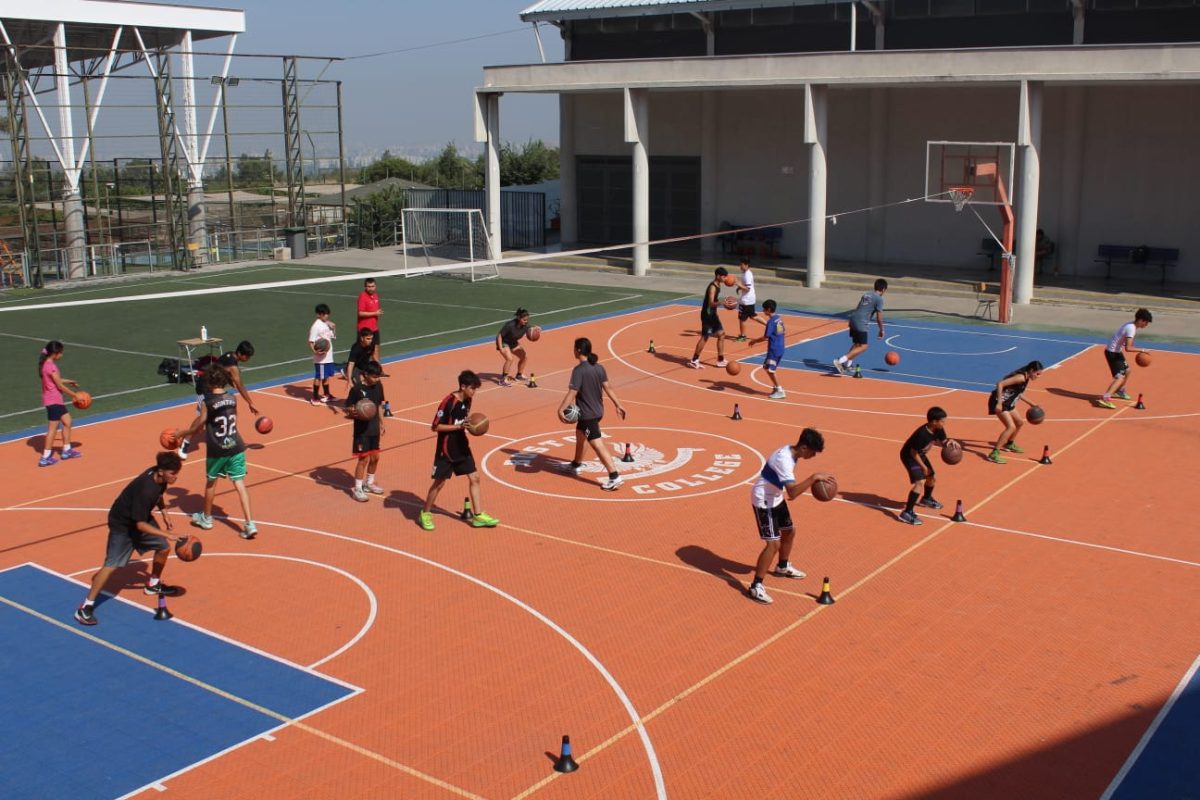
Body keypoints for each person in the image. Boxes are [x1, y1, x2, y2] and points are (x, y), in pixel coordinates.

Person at [74, 451, 183, 625]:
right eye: (173, 474)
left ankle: (152, 584)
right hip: (122, 525)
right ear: (161, 471)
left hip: (140, 518)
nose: (175, 477)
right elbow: (140, 525)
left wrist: (164, 513)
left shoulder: (159, 478)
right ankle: (85, 608)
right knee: (111, 565)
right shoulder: (145, 489)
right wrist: (168, 534)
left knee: (163, 548)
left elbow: (159, 495)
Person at [746, 428, 829, 605]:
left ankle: (782, 567)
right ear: (804, 447)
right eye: (813, 452)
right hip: (764, 500)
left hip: (775, 496)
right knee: (773, 544)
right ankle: (756, 586)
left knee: (790, 531)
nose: (814, 456)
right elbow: (793, 492)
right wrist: (813, 478)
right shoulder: (784, 459)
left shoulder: (792, 453)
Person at [177, 364, 257, 539]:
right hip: (236, 446)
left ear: (209, 382)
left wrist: (181, 433)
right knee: (240, 484)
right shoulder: (232, 398)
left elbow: (199, 425)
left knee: (211, 483)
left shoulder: (208, 402)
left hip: (217, 449)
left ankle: (206, 518)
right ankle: (250, 523)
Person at [418, 370, 499, 531]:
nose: (474, 392)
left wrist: (472, 425)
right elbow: (435, 426)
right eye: (472, 388)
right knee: (439, 483)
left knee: (475, 478)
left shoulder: (467, 400)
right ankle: (425, 513)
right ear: (462, 386)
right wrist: (458, 426)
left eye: (476, 389)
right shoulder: (448, 402)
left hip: (462, 447)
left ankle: (478, 516)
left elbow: (463, 420)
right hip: (447, 449)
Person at [558, 337, 628, 491]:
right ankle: (575, 464)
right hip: (597, 411)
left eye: (573, 348)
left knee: (597, 443)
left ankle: (614, 476)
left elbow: (572, 392)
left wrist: (560, 409)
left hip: (588, 414)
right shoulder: (598, 367)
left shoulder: (579, 370)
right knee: (580, 434)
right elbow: (608, 387)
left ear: (578, 350)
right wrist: (618, 404)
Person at [178, 340, 257, 460]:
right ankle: (186, 441)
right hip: (204, 387)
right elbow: (240, 385)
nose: (248, 359)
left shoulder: (229, 355)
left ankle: (227, 439)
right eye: (248, 356)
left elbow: (222, 369)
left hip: (213, 387)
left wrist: (229, 380)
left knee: (219, 412)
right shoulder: (233, 365)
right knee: (202, 419)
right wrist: (250, 403)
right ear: (241, 354)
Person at [898, 407, 949, 525]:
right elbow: (913, 453)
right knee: (919, 482)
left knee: (931, 477)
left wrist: (950, 443)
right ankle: (907, 513)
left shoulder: (938, 429)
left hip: (920, 455)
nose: (944, 423)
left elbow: (943, 441)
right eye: (942, 421)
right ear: (934, 422)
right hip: (909, 457)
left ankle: (926, 498)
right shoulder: (921, 434)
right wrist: (924, 468)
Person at [986, 360, 1043, 464]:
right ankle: (994, 454)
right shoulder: (1020, 378)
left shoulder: (1026, 378)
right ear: (1031, 370)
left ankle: (1009, 444)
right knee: (1011, 427)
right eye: (1037, 373)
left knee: (1019, 423)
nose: (1038, 376)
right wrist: (999, 402)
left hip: (1008, 402)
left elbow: (1019, 394)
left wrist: (1032, 404)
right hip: (998, 401)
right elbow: (1000, 384)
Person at [37, 340, 84, 467]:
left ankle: (66, 450)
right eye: (61, 353)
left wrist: (68, 381)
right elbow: (58, 385)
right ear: (55, 354)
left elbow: (55, 380)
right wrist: (75, 396)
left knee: (67, 422)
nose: (62, 355)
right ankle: (45, 457)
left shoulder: (46, 365)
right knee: (52, 429)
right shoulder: (51, 366)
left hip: (55, 401)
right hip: (54, 401)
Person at [345, 361, 386, 502]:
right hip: (362, 431)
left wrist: (382, 423)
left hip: (374, 429)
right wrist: (353, 412)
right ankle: (357, 488)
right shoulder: (357, 390)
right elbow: (348, 409)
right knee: (363, 459)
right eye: (374, 377)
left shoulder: (379, 386)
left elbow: (379, 405)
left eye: (378, 376)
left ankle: (369, 483)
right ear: (366, 375)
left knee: (375, 458)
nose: (377, 379)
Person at [1097, 308, 1152, 409]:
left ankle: (1119, 391)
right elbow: (1128, 348)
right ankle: (1105, 398)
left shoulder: (1132, 326)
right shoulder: (1131, 328)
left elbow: (1128, 343)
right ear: (1140, 320)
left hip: (1116, 351)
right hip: (1112, 352)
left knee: (1128, 370)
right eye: (1146, 322)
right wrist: (1143, 350)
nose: (1146, 325)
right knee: (1120, 377)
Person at [833, 278, 887, 376]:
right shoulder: (879, 299)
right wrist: (881, 330)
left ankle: (848, 365)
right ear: (883, 289)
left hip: (853, 318)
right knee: (864, 347)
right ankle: (840, 361)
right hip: (861, 322)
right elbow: (879, 318)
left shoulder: (866, 294)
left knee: (857, 344)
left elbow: (858, 308)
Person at [687, 267, 729, 369]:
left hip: (713, 314)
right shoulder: (713, 287)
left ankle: (720, 359)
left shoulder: (718, 285)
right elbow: (710, 303)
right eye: (724, 277)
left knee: (722, 334)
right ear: (718, 276)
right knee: (705, 337)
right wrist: (721, 303)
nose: (725, 279)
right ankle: (694, 360)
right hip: (708, 315)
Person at [749, 299, 787, 399]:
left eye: (764, 309)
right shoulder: (779, 319)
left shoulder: (771, 322)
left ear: (769, 309)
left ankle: (779, 390)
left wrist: (754, 341)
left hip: (774, 349)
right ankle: (775, 387)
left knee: (770, 370)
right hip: (780, 347)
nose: (763, 311)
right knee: (766, 367)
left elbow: (765, 337)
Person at [309, 303, 338, 406]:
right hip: (320, 358)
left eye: (327, 314)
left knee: (326, 377)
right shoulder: (316, 326)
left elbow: (331, 336)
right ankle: (315, 397)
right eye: (325, 314)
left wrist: (334, 328)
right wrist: (315, 352)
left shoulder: (326, 324)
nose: (327, 316)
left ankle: (326, 395)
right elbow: (311, 341)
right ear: (319, 314)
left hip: (328, 356)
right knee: (319, 377)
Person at [496, 308, 532, 387]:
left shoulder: (525, 325)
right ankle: (503, 380)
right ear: (519, 318)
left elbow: (531, 329)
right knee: (509, 359)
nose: (526, 321)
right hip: (503, 342)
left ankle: (519, 375)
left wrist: (537, 329)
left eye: (527, 320)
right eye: (524, 320)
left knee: (524, 356)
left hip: (513, 342)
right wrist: (501, 348)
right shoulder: (510, 325)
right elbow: (499, 335)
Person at [733, 258, 762, 342]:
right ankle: (770, 325)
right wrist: (739, 287)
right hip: (750, 299)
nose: (740, 266)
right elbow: (746, 286)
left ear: (746, 265)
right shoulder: (746, 273)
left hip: (746, 300)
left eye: (741, 264)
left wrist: (738, 284)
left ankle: (742, 336)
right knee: (753, 316)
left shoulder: (747, 275)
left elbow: (748, 288)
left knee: (742, 318)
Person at [356, 277, 383, 362]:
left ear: (375, 286)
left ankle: (377, 369)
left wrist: (377, 312)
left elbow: (375, 310)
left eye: (372, 286)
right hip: (364, 329)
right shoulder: (362, 296)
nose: (371, 288)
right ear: (365, 287)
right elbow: (360, 313)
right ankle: (353, 369)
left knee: (376, 348)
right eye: (369, 286)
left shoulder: (375, 296)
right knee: (363, 351)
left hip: (374, 328)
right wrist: (375, 313)